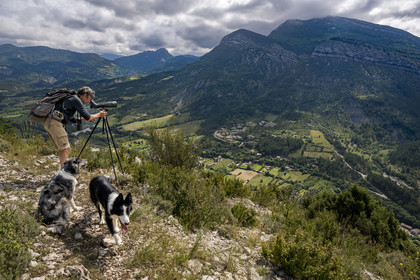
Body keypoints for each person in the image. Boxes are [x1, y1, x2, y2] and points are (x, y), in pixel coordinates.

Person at [43, 86, 107, 168]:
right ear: (84, 95)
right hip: (54, 122)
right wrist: (99, 115)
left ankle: (63, 169)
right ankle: (64, 171)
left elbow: (71, 118)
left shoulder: (72, 98)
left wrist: (84, 120)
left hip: (51, 121)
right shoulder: (75, 99)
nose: (89, 101)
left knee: (64, 148)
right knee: (65, 148)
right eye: (89, 99)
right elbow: (89, 117)